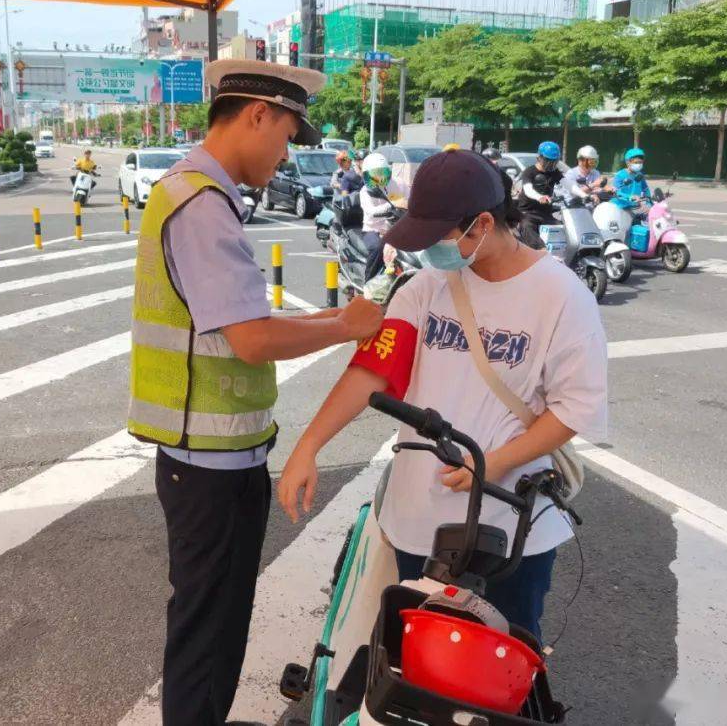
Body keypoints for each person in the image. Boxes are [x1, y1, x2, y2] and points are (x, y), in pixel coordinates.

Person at [128, 59, 384, 726]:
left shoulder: (191, 190)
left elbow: (244, 322)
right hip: (208, 468)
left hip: (206, 460)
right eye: (288, 134)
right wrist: (343, 327)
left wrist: (335, 321)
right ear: (258, 115)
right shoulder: (202, 205)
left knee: (208, 629)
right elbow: (250, 340)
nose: (287, 152)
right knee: (207, 639)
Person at [277, 148, 608, 642]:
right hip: (419, 522)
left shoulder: (561, 298)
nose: (430, 248)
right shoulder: (425, 288)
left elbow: (575, 408)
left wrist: (495, 462)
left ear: (480, 224)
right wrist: (308, 446)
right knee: (416, 659)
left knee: (501, 659)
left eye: (439, 235)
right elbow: (371, 371)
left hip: (509, 527)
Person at [359, 152, 407, 284]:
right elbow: (370, 212)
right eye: (374, 175)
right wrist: (392, 205)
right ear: (366, 175)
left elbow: (411, 199)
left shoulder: (399, 184)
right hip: (373, 229)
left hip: (397, 227)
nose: (379, 178)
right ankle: (368, 284)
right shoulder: (365, 191)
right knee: (377, 247)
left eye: (382, 173)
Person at [516, 141, 564, 249]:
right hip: (527, 213)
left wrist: (584, 195)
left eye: (553, 161)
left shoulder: (555, 172)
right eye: (548, 160)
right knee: (526, 226)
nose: (550, 164)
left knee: (564, 228)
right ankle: (542, 253)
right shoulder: (529, 171)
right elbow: (528, 190)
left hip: (546, 214)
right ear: (539, 157)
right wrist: (539, 197)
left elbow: (568, 184)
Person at [612, 147, 652, 215]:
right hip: (621, 208)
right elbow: (616, 193)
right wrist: (630, 197)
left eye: (640, 162)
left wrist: (649, 201)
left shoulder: (640, 175)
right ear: (628, 162)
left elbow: (646, 189)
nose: (639, 165)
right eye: (636, 162)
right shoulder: (620, 175)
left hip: (635, 207)